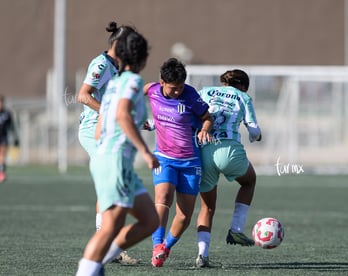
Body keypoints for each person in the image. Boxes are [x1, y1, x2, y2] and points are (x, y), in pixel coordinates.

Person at [76, 28, 160, 276]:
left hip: (111, 158)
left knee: (150, 221)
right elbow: (120, 115)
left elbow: (104, 124)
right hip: (114, 161)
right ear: (142, 58)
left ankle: (99, 263)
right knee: (110, 227)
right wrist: (145, 152)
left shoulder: (115, 84)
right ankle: (89, 270)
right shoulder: (131, 81)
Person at [77, 21, 139, 264]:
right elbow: (83, 95)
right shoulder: (101, 64)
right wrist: (110, 112)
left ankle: (105, 243)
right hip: (94, 130)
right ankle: (105, 243)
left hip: (107, 130)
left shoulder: (117, 67)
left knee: (113, 182)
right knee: (111, 181)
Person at [143, 58, 213, 267]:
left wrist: (204, 129)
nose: (177, 91)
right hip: (164, 158)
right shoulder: (152, 90)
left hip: (191, 162)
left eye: (181, 87)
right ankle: (156, 245)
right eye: (174, 88)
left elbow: (207, 117)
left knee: (184, 215)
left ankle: (166, 247)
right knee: (163, 197)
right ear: (162, 82)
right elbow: (133, 95)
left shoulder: (190, 95)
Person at [195, 69, 262, 268]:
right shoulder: (243, 97)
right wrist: (256, 137)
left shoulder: (205, 91)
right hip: (229, 150)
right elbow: (254, 130)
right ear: (243, 86)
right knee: (249, 182)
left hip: (204, 150)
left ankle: (202, 256)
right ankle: (236, 229)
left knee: (207, 207)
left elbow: (190, 113)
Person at [0, 95, 19, 182]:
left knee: (2, 156)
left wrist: (15, 137)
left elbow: (11, 126)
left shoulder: (7, 114)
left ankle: (2, 173)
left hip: (3, 138)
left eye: (1, 103)